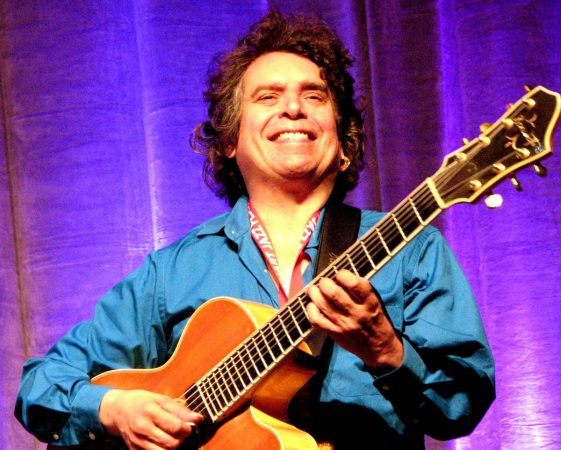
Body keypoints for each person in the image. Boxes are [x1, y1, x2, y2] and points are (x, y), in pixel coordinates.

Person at [15, 10, 495, 450]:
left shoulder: (412, 250)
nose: (294, 109)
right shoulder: (174, 272)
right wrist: (116, 409)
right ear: (229, 140)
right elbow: (41, 384)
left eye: (315, 96)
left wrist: (386, 350)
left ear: (343, 141)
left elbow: (463, 405)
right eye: (268, 97)